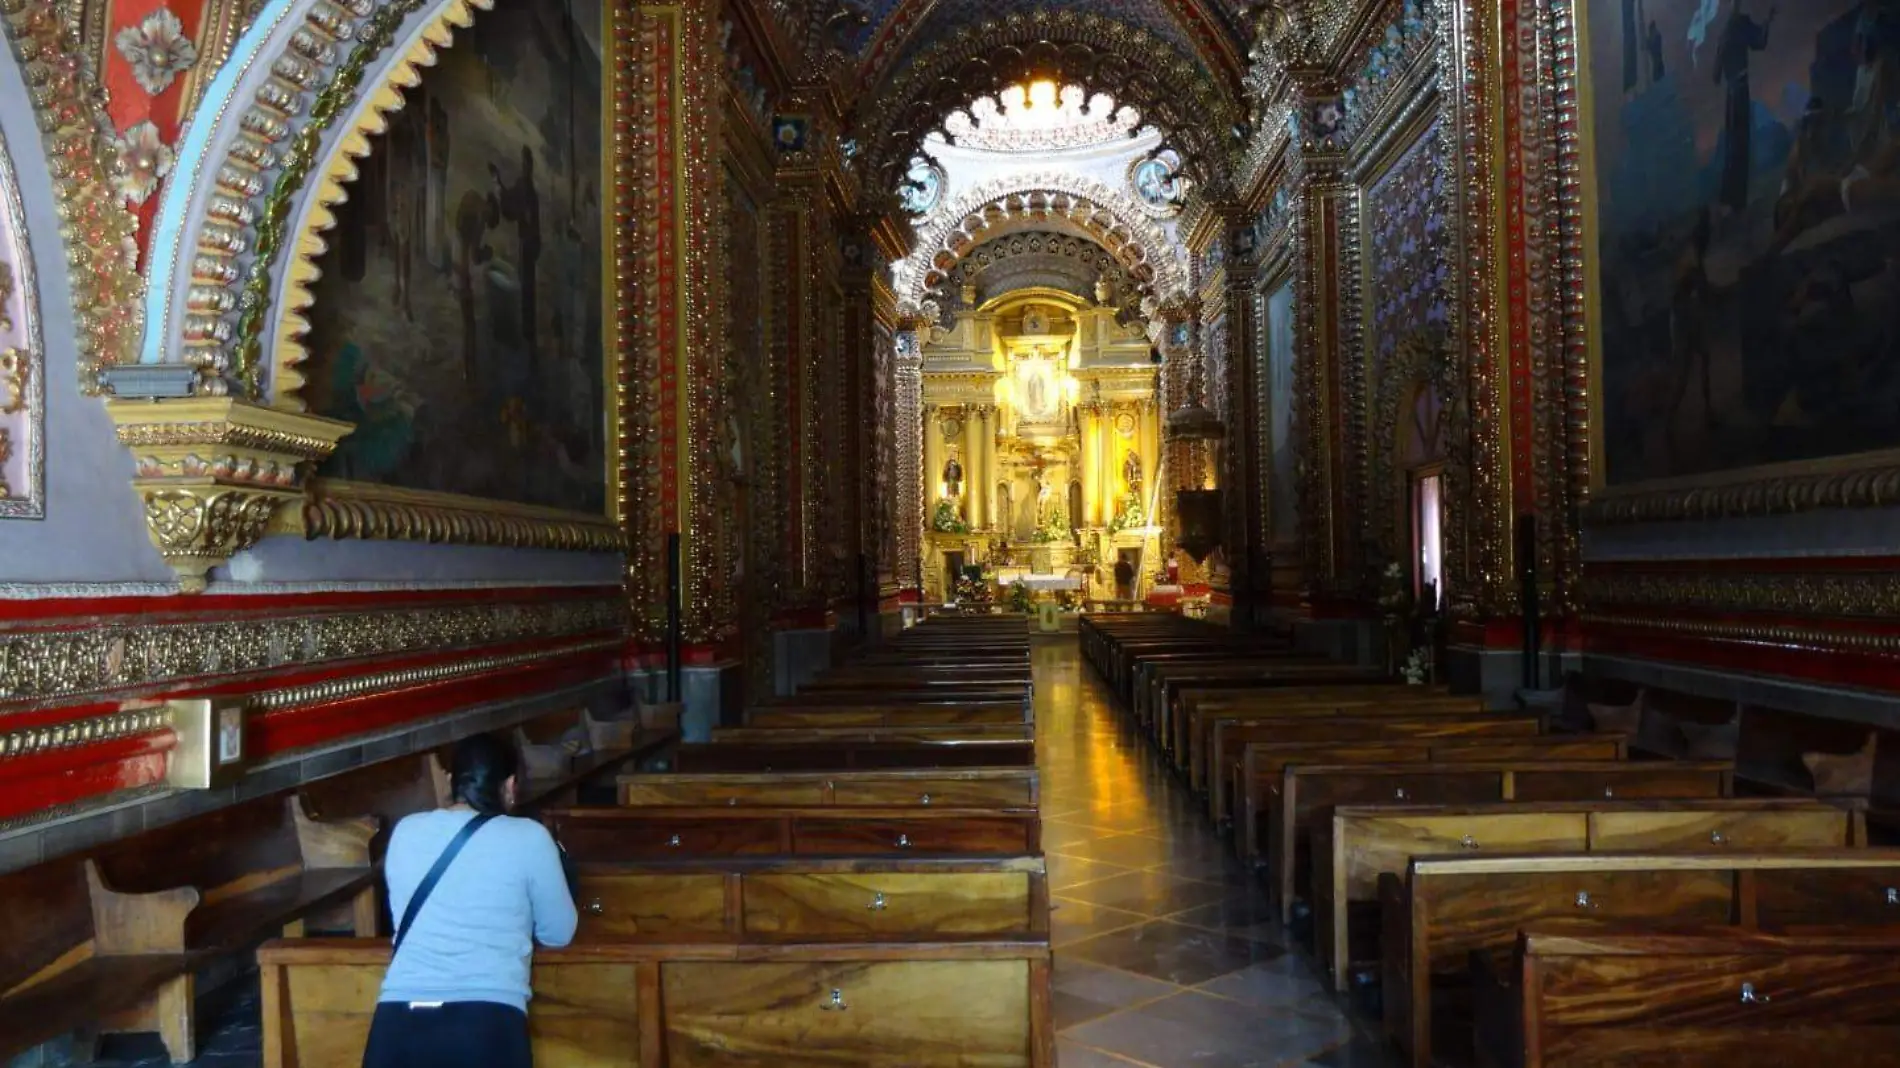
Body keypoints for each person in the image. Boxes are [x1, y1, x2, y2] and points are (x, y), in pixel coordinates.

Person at [361, 735, 577, 1068]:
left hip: (399, 1022)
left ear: (450, 781)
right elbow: (558, 932)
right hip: (486, 1022)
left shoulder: (406, 831)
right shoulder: (529, 836)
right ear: (510, 785)